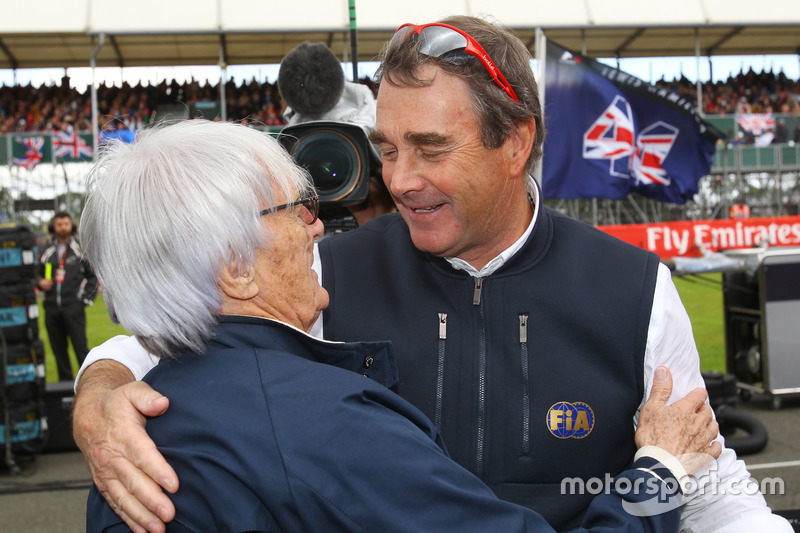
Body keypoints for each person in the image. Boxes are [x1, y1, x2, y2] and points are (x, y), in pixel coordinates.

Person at [72, 15, 792, 533]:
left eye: (430, 147)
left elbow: (707, 477)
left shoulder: (633, 286)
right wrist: (100, 395)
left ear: (515, 142)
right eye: (386, 147)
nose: (400, 178)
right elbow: (176, 336)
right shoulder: (323, 269)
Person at [37, 211, 98, 381]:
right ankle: (65, 388)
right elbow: (36, 274)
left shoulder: (80, 249)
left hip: (73, 307)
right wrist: (40, 283)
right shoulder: (46, 252)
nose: (63, 227)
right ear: (53, 227)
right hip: (51, 308)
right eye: (59, 224)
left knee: (80, 348)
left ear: (71, 226)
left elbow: (92, 275)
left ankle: (88, 384)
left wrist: (85, 299)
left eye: (66, 223)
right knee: (58, 350)